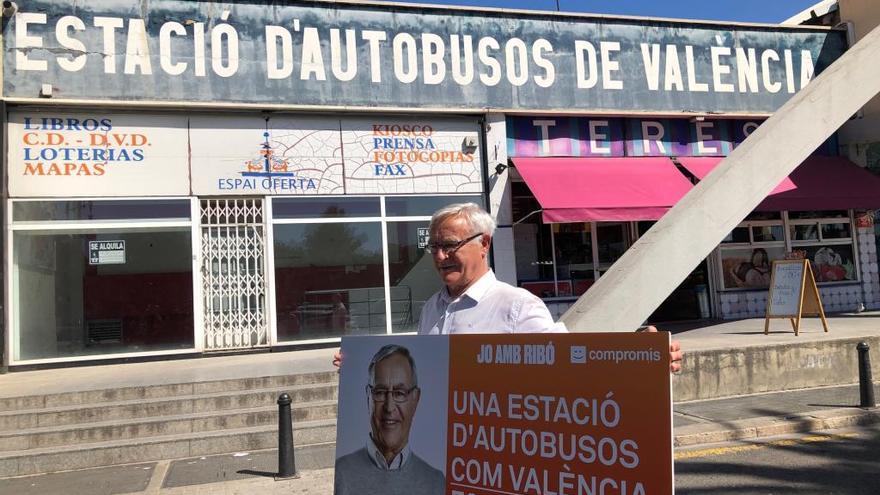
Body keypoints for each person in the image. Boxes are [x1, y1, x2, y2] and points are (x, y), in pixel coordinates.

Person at [335, 203, 682, 371]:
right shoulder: (432, 308)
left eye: (451, 245)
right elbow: (420, 371)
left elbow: (569, 363)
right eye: (434, 248)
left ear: (484, 244)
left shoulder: (516, 307)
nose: (440, 256)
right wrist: (362, 364)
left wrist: (642, 358)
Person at [334, 344, 445, 495]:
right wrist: (347, 366)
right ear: (368, 396)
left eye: (399, 393)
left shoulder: (436, 482)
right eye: (380, 392)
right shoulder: (342, 472)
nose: (389, 407)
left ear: (415, 399)